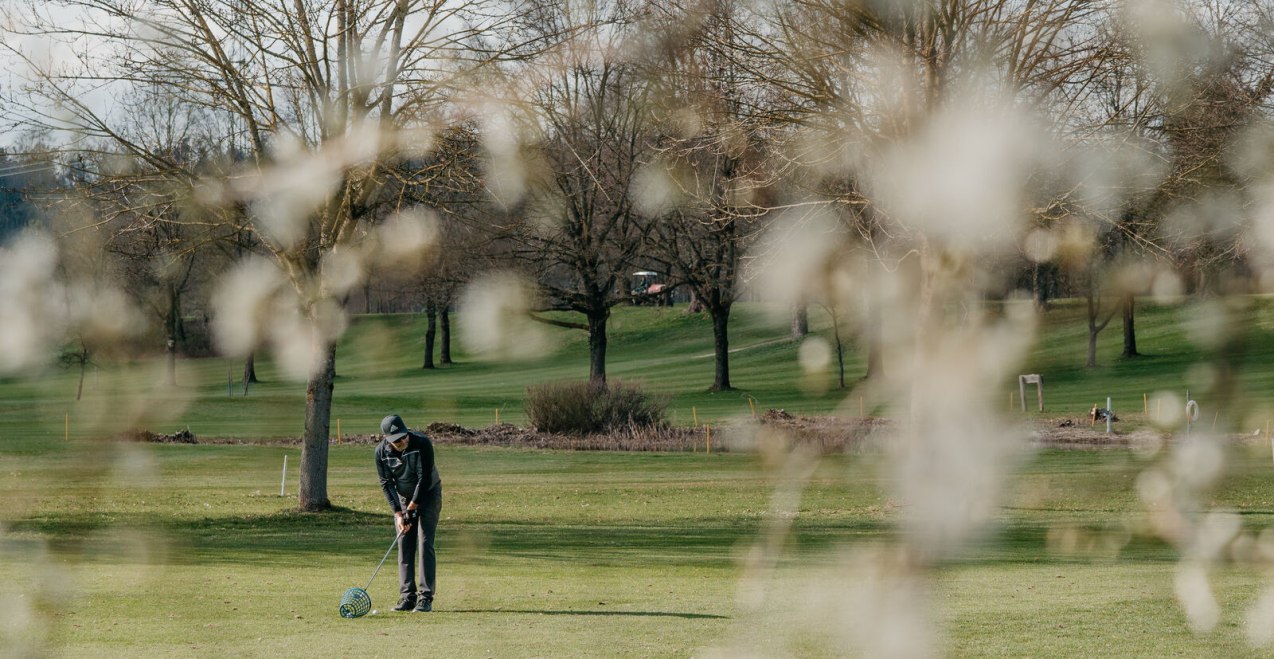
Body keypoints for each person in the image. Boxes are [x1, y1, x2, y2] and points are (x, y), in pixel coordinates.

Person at [375, 414, 443, 612]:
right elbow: (386, 484)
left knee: (424, 541)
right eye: (397, 440)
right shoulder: (380, 453)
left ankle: (425, 597)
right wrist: (398, 513)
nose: (402, 441)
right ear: (387, 439)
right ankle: (407, 597)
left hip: (429, 493)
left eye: (404, 436)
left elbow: (424, 479)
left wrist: (413, 508)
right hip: (404, 498)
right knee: (404, 542)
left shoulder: (422, 443)